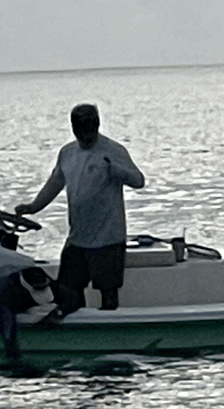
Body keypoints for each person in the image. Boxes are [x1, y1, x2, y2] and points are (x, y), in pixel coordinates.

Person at [16, 103, 144, 314]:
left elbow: (139, 181)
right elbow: (55, 183)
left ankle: (108, 333)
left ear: (97, 126)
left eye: (89, 132)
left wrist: (117, 170)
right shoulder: (67, 153)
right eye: (80, 132)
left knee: (108, 292)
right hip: (78, 238)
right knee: (68, 289)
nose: (85, 138)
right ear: (73, 129)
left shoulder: (114, 151)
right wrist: (33, 207)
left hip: (108, 238)